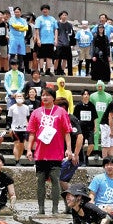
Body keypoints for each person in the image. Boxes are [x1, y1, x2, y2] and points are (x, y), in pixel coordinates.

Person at [26, 87, 75, 216]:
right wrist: (29, 149)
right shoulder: (36, 112)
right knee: (40, 181)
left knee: (55, 180)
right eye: (43, 95)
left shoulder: (61, 112)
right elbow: (31, 133)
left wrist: (69, 149)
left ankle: (55, 209)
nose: (45, 97)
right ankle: (41, 209)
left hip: (56, 153)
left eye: (47, 95)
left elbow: (67, 132)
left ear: (53, 97)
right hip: (40, 153)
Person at [33, 3, 57, 76]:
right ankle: (41, 70)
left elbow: (56, 29)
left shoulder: (52, 19)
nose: (45, 10)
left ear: (48, 10)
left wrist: (55, 39)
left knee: (49, 57)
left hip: (50, 41)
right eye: (43, 9)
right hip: (42, 41)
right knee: (41, 56)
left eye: (46, 9)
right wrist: (38, 39)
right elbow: (37, 29)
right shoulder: (39, 19)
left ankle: (48, 70)